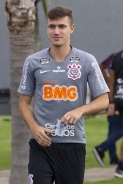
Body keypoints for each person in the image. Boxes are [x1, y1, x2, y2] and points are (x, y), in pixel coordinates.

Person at [18, 6, 109, 184]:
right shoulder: (33, 61)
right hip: (40, 144)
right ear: (47, 28)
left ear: (71, 28)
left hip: (73, 143)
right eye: (52, 26)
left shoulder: (86, 60)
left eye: (61, 26)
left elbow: (104, 100)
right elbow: (23, 103)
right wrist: (34, 129)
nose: (56, 31)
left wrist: (80, 110)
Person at [93, 53, 122, 167]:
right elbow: (100, 66)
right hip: (114, 96)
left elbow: (100, 66)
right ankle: (102, 148)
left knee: (113, 128)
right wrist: (109, 79)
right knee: (118, 128)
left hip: (113, 97)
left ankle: (113, 158)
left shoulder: (115, 56)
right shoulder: (114, 57)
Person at [107, 50, 123, 178]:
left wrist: (111, 101)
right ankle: (121, 167)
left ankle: (121, 167)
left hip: (119, 97)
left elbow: (111, 81)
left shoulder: (116, 56)